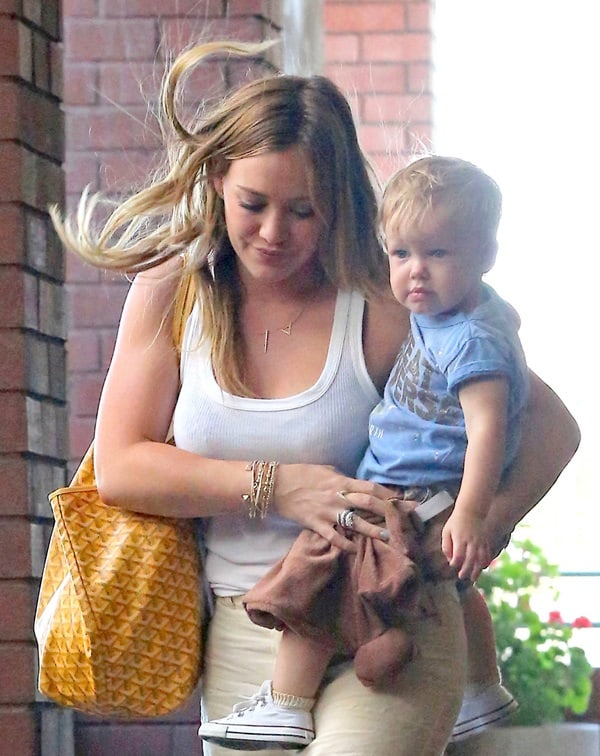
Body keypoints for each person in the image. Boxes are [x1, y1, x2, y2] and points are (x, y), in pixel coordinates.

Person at [50, 40, 579, 756]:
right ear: (215, 180)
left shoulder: (388, 302)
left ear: (337, 204)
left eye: (303, 209)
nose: (274, 232)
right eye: (254, 204)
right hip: (249, 633)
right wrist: (280, 488)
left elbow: (550, 427)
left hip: (394, 616)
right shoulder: (171, 292)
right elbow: (121, 468)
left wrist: (486, 522)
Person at [199, 155, 528, 750]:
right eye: (400, 254)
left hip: (398, 503)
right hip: (244, 602)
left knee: (320, 577)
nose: (416, 273)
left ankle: (285, 703)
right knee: (451, 586)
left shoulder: (461, 330)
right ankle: (480, 686)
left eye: (302, 210)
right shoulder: (447, 313)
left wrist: (481, 516)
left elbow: (503, 429)